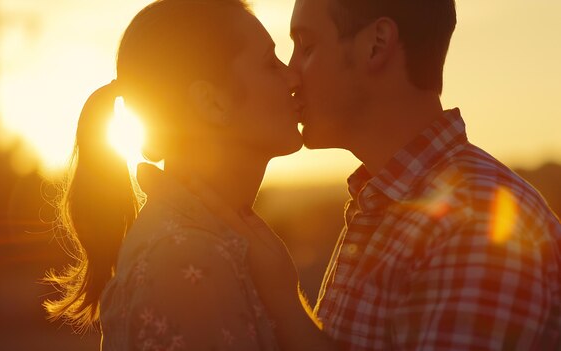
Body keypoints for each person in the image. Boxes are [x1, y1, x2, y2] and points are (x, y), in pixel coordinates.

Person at [234, 0, 561, 350]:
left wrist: (285, 305)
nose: (293, 74)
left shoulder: (472, 222)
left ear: (376, 45)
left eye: (307, 46)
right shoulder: (388, 203)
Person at [43, 0, 308, 349]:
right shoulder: (188, 260)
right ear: (212, 103)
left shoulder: (202, 241)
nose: (292, 76)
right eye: (269, 64)